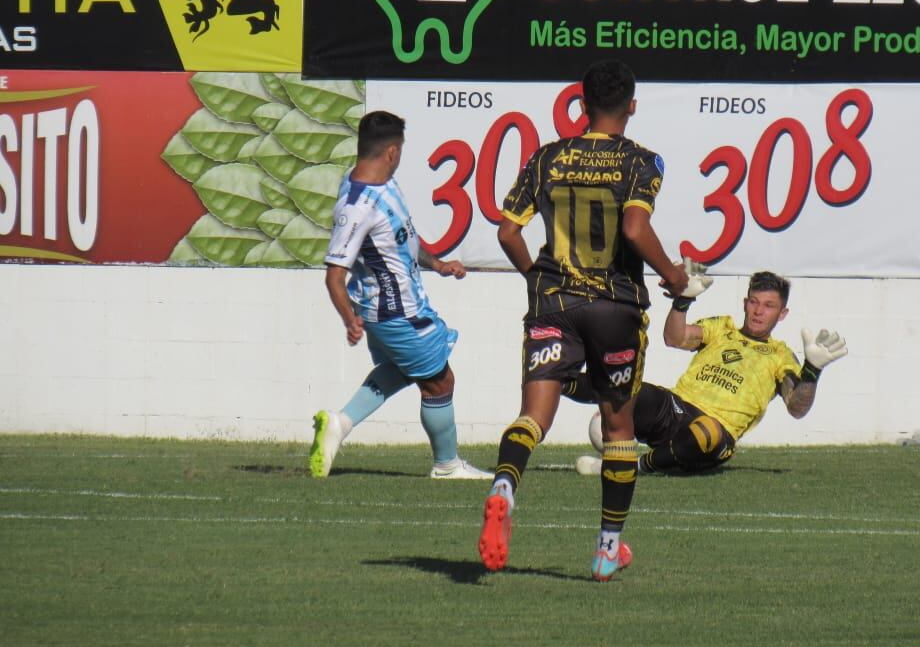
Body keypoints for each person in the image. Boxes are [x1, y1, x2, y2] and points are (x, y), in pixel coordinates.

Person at [477, 59, 693, 582]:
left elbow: (508, 231)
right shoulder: (640, 161)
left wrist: (537, 277)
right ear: (632, 106)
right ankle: (605, 550)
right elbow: (636, 227)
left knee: (534, 416)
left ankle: (505, 483)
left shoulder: (548, 156)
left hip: (555, 301)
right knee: (620, 429)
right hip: (615, 307)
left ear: (583, 105)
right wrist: (673, 275)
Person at [309, 110, 492, 481]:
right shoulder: (357, 206)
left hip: (404, 307)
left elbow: (402, 238)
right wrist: (350, 320)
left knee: (403, 370)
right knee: (439, 380)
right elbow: (334, 276)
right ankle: (446, 464)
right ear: (392, 152)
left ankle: (339, 425)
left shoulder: (378, 185)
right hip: (395, 313)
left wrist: (437, 264)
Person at [567, 270, 847, 476]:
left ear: (782, 314)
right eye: (754, 302)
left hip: (717, 433)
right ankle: (557, 381)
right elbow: (675, 338)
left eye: (769, 306)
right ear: (745, 303)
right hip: (676, 408)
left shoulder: (781, 356)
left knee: (707, 430)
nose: (759, 311)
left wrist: (812, 370)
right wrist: (682, 302)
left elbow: (797, 407)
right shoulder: (722, 328)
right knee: (626, 385)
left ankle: (635, 466)